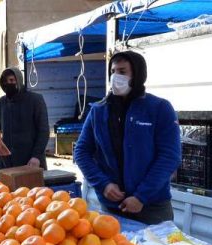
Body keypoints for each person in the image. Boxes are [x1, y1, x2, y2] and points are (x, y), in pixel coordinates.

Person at [74, 51, 181, 225]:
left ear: (137, 74)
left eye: (122, 72)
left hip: (152, 208)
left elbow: (169, 157)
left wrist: (141, 196)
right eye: (113, 71)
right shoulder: (99, 110)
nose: (116, 77)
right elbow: (81, 152)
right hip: (112, 206)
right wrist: (103, 184)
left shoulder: (159, 108)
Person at [0, 67, 49, 169]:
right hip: (7, 161)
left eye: (12, 80)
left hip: (30, 161)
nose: (8, 83)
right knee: (6, 186)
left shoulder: (35, 100)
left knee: (32, 185)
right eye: (5, 81)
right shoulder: (1, 103)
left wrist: (36, 156)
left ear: (19, 80)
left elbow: (43, 131)